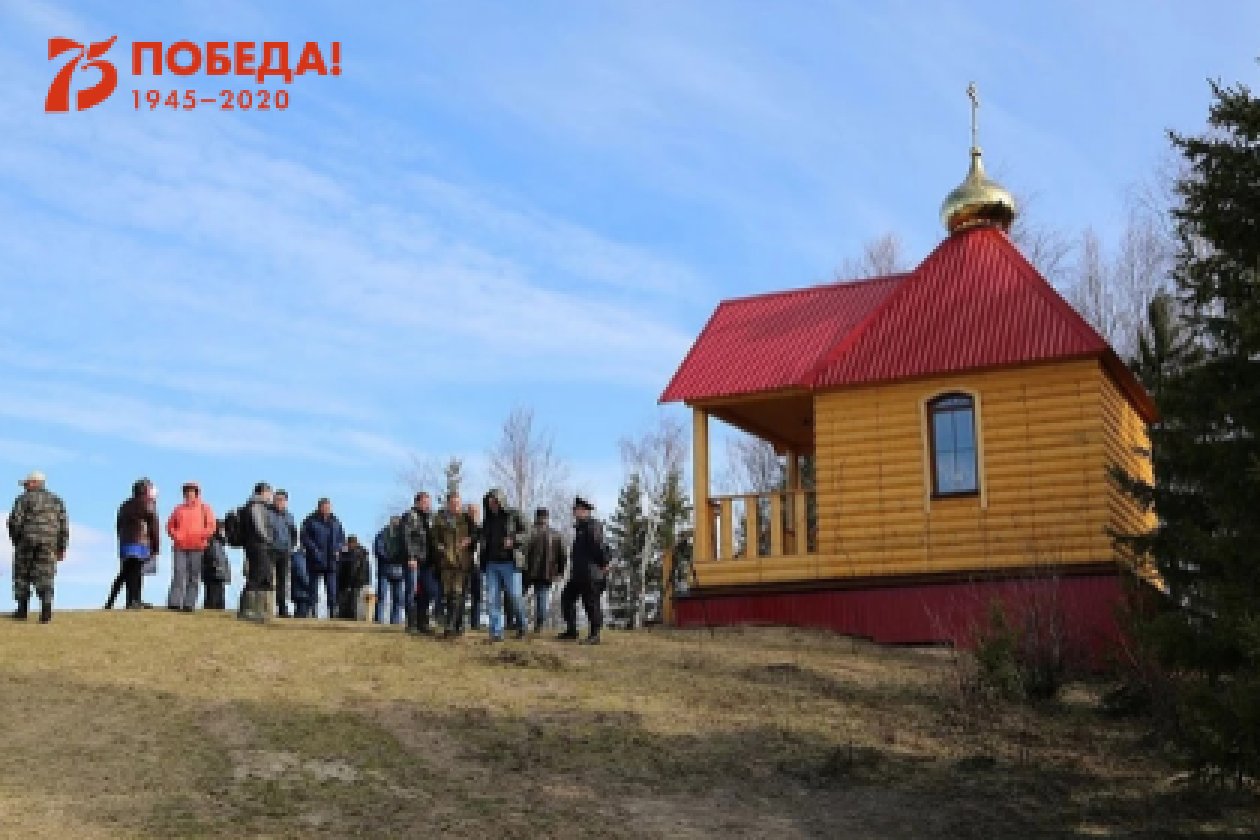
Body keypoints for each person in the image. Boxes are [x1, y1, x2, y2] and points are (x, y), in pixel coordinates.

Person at [7, 470, 68, 623]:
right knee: (45, 575)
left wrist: (17, 540)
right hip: (50, 543)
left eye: (27, 484)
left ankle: (22, 611)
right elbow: (64, 526)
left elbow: (14, 522)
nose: (25, 487)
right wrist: (62, 547)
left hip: (26, 540)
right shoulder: (57, 500)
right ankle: (46, 612)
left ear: (34, 483)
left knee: (22, 574)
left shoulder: (23, 499)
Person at [480, 488, 528, 642]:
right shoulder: (487, 520)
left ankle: (522, 626)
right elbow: (481, 537)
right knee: (492, 599)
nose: (492, 505)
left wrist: (513, 540)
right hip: (491, 564)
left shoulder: (514, 514)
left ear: (501, 501)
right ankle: (496, 632)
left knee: (515, 596)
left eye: (494, 502)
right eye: (489, 503)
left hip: (510, 563)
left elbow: (528, 533)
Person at [559, 496, 608, 645]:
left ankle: (595, 635)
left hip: (591, 573)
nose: (574, 512)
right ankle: (572, 630)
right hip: (579, 573)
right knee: (567, 597)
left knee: (591, 603)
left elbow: (598, 547)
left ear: (585, 511)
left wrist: (604, 563)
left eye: (577, 509)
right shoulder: (581, 528)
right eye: (574, 509)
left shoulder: (592, 526)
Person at [165, 481, 215, 612]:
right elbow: (169, 526)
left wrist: (200, 536)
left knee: (194, 576)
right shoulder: (178, 509)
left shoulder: (205, 508)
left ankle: (189, 604)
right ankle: (174, 602)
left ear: (196, 493)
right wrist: (176, 535)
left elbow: (211, 527)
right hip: (180, 546)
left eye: (191, 491)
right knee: (178, 573)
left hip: (197, 546)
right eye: (186, 491)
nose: (188, 493)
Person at [113, 478, 161, 611]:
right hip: (141, 542)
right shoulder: (148, 504)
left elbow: (118, 525)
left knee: (128, 571)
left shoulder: (124, 505)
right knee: (136, 571)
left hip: (125, 542)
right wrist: (156, 547)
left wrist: (121, 539)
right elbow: (154, 527)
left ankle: (132, 600)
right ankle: (134, 600)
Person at [431, 492, 474, 637]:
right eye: (453, 502)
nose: (456, 505)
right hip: (446, 562)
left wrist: (470, 540)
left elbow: (477, 533)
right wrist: (439, 547)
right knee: (448, 595)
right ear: (448, 503)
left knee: (458, 593)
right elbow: (434, 537)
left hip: (462, 562)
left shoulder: (467, 518)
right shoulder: (440, 518)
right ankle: (457, 625)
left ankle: (451, 625)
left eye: (458, 502)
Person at [524, 507, 567, 633]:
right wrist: (560, 572)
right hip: (547, 572)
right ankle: (539, 626)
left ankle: (517, 622)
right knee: (542, 599)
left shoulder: (529, 532)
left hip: (527, 570)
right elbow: (563, 555)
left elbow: (523, 551)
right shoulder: (556, 534)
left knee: (517, 596)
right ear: (547, 518)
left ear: (536, 517)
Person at [300, 497, 345, 619]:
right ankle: (312, 611)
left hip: (331, 561)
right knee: (313, 587)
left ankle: (333, 612)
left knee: (332, 589)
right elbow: (305, 538)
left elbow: (341, 539)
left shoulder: (336, 522)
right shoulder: (310, 521)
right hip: (315, 560)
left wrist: (338, 548)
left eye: (328, 507)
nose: (327, 509)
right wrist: (314, 551)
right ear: (319, 507)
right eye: (324, 507)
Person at [238, 482, 274, 623]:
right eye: (269, 493)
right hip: (257, 545)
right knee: (256, 575)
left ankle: (256, 609)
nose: (270, 496)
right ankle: (248, 610)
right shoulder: (256, 506)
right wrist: (268, 539)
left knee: (260, 575)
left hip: (254, 545)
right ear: (262, 492)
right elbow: (259, 527)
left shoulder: (254, 505)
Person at [400, 492, 433, 634]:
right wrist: (411, 557)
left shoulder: (430, 518)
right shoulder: (410, 516)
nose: (427, 504)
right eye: (425, 502)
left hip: (427, 561)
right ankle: (411, 623)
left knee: (426, 592)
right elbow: (406, 537)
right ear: (417, 502)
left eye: (428, 502)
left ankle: (423, 622)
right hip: (414, 560)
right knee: (412, 591)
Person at [267, 489, 298, 618]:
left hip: (284, 552)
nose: (279, 502)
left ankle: (282, 609)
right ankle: (267, 607)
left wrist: (291, 547)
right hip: (270, 551)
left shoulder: (289, 516)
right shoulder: (268, 514)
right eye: (277, 499)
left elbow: (294, 534)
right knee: (268, 579)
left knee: (282, 581)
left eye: (282, 500)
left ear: (286, 502)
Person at [373, 515, 406, 624]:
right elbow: (378, 549)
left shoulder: (404, 536)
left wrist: (400, 558)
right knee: (382, 595)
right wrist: (390, 557)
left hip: (400, 570)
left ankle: (396, 621)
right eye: (395, 522)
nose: (396, 524)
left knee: (398, 598)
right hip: (385, 570)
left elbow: (408, 550)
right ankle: (379, 620)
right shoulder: (382, 534)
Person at [336, 535, 371, 619]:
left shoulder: (358, 554)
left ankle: (350, 616)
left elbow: (359, 569)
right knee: (345, 600)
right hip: (346, 581)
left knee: (353, 600)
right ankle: (345, 615)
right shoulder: (346, 552)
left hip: (355, 581)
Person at [201, 520, 231, 610]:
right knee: (214, 596)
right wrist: (216, 567)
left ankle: (215, 609)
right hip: (214, 573)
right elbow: (211, 557)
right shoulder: (213, 542)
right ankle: (213, 609)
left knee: (217, 595)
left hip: (217, 573)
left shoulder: (217, 543)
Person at [463, 502, 483, 630]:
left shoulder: (482, 527)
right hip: (465, 564)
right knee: (463, 594)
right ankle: (460, 623)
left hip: (478, 565)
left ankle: (475, 624)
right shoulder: (464, 527)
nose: (474, 514)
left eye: (476, 511)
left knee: (477, 594)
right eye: (472, 511)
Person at [290, 547, 312, 618]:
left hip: (299, 592)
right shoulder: (300, 558)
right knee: (301, 615)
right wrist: (309, 585)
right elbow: (302, 574)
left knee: (299, 613)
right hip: (302, 593)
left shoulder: (297, 557)